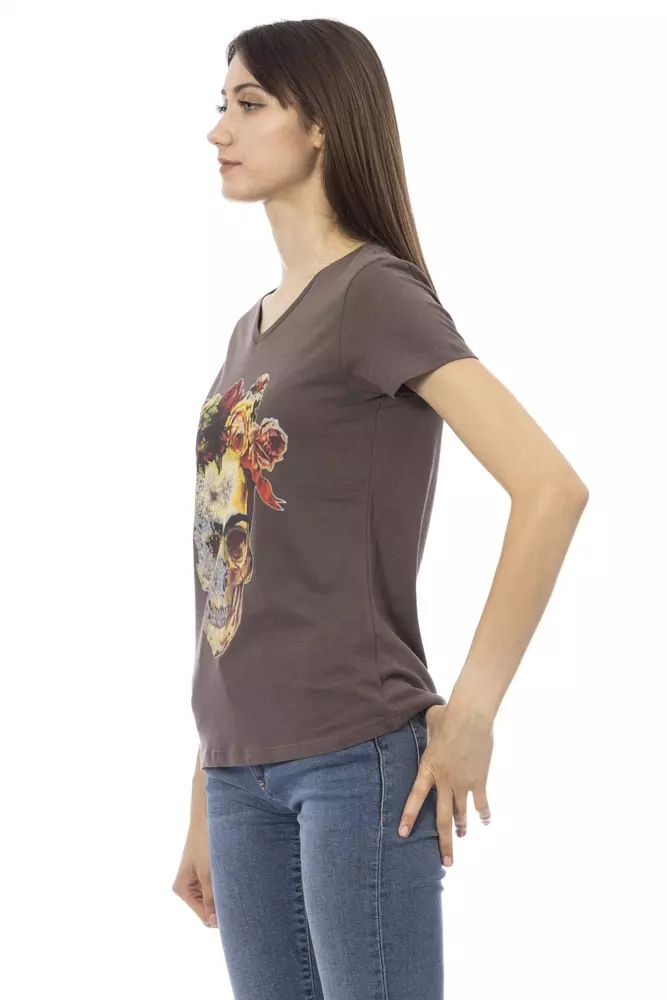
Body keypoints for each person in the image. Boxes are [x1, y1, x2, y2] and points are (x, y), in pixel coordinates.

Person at [172, 18, 589, 1000]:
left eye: (249, 104)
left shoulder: (373, 295)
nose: (219, 129)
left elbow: (549, 487)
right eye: (220, 104)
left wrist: (471, 712)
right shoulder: (250, 329)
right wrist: (205, 779)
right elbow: (238, 572)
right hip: (239, 773)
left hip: (353, 761)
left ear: (320, 124)